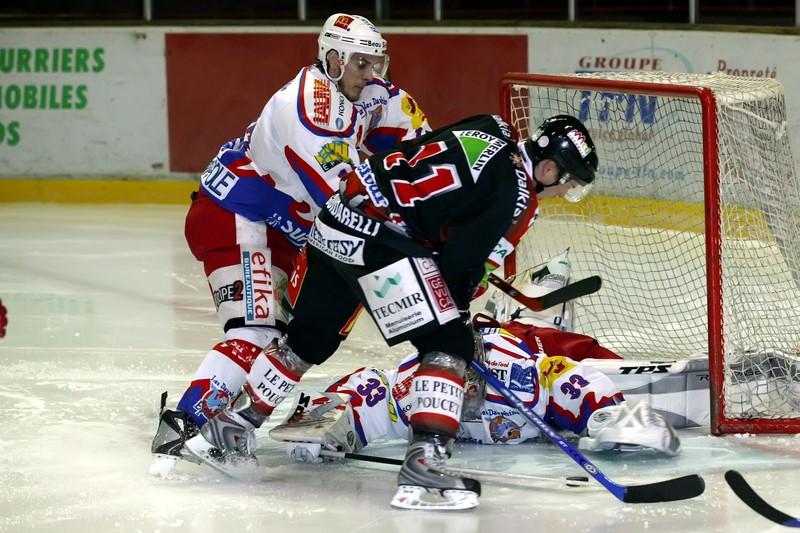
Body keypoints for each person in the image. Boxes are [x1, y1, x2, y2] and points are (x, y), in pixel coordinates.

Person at [187, 111, 599, 510]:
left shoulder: (491, 124)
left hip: (337, 215)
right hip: (381, 242)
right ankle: (425, 465)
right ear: (548, 169)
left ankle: (231, 426)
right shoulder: (518, 196)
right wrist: (457, 321)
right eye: (568, 185)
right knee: (449, 345)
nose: (564, 193)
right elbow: (458, 266)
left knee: (308, 339)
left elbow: (427, 161)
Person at [150, 13, 430, 472]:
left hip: (282, 228)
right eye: (361, 63)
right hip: (240, 214)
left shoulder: (372, 92)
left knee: (277, 336)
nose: (372, 74)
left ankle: (226, 420)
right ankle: (182, 427)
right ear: (332, 59)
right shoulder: (308, 109)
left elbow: (421, 149)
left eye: (377, 63)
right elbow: (344, 201)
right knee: (257, 331)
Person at [268, 253, 680, 465]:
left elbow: (569, 378)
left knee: (554, 341)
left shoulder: (519, 369)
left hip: (508, 343)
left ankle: (543, 293)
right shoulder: (420, 385)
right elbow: (371, 388)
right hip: (482, 343)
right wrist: (330, 423)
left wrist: (611, 415)